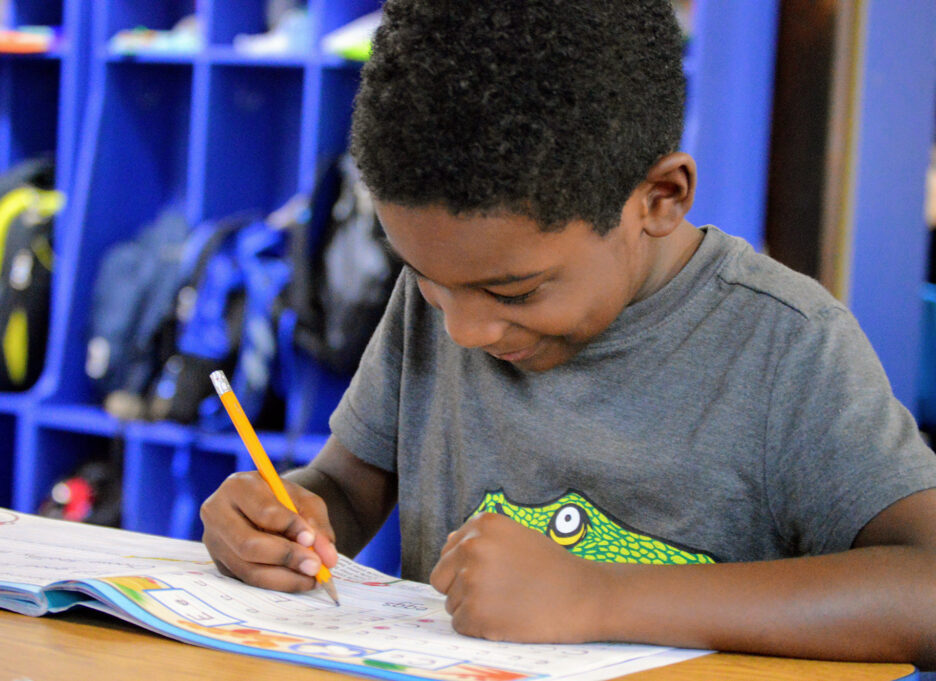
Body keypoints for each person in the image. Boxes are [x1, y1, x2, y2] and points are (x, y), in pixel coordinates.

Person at [201, 0, 936, 668]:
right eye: (424, 276)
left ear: (661, 198)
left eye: (514, 292)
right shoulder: (450, 286)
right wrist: (285, 516)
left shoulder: (786, 345)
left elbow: (925, 589)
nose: (463, 328)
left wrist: (597, 597)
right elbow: (345, 486)